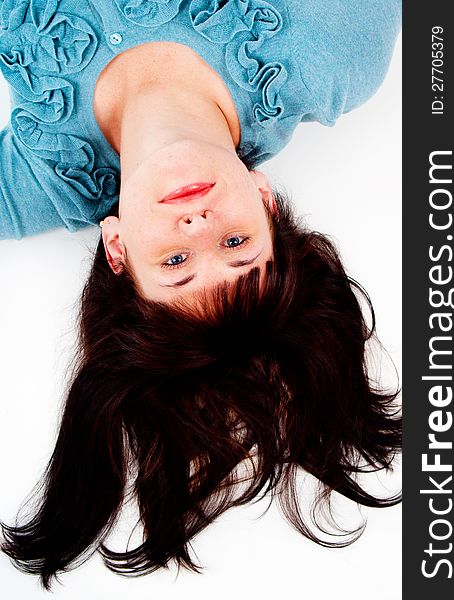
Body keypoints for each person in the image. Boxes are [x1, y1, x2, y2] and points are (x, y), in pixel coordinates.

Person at [0, 0, 402, 589]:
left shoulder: (33, 185)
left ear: (117, 251)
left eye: (176, 263)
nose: (198, 225)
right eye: (237, 243)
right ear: (266, 201)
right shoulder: (333, 54)